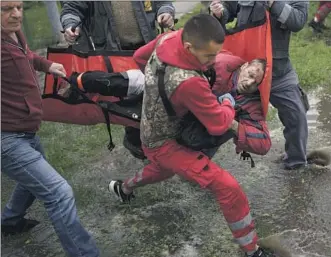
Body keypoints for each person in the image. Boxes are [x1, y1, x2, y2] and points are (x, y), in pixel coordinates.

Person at [108, 14, 278, 257]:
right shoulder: (190, 82)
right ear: (189, 47)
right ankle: (253, 251)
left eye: (216, 55)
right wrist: (229, 103)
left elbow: (138, 58)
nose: (212, 62)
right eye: (209, 57)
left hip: (150, 127)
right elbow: (219, 124)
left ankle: (122, 189)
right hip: (166, 142)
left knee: (162, 169)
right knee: (228, 187)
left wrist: (159, 87)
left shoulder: (168, 38)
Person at [1, 2, 99, 256]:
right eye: (5, 8)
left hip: (25, 130)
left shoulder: (13, 32)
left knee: (32, 177)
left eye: (19, 7)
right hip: (6, 137)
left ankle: (10, 221)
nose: (16, 14)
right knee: (58, 193)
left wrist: (46, 65)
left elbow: (26, 54)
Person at [60, 1, 176, 160]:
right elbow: (72, 7)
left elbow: (163, 3)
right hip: (115, 53)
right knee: (130, 100)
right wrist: (70, 24)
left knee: (158, 95)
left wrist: (166, 11)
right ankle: (135, 141)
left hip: (147, 46)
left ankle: (161, 141)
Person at [210, 0, 310, 170]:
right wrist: (219, 12)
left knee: (297, 116)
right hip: (246, 71)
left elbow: (298, 21)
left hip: (279, 71)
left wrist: (273, 3)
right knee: (222, 114)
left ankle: (296, 164)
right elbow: (229, 8)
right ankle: (197, 159)